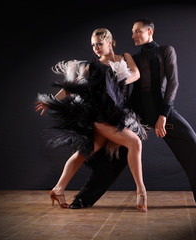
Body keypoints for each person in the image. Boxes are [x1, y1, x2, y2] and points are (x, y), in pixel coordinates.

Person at [69, 18, 196, 209]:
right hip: (135, 117)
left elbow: (173, 84)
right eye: (132, 31)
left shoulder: (166, 51)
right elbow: (116, 80)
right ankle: (83, 199)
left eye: (137, 31)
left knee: (195, 145)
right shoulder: (132, 57)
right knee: (114, 157)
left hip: (162, 113)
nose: (133, 35)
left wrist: (163, 116)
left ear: (150, 31)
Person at [35, 28, 148, 212]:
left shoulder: (125, 57)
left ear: (109, 42)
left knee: (85, 152)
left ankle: (58, 189)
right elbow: (73, 86)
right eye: (93, 45)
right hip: (100, 116)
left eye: (99, 44)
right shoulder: (93, 66)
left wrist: (118, 80)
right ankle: (141, 191)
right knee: (135, 143)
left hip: (118, 114)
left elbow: (136, 74)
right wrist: (52, 101)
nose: (96, 48)